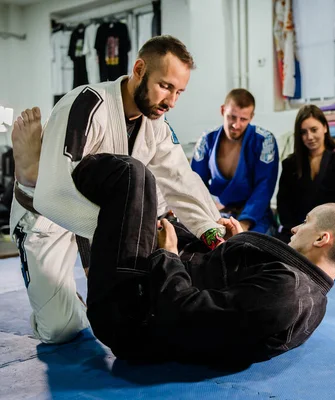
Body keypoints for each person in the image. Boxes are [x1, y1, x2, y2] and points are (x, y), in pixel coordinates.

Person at [13, 123, 335, 362]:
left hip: (133, 316)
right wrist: (236, 247)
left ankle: (35, 183)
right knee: (161, 209)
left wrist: (167, 255)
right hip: (179, 276)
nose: (293, 228)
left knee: (131, 177)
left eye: (305, 224)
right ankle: (96, 247)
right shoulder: (306, 288)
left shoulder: (286, 295)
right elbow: (238, 295)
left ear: (323, 238)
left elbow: (185, 313)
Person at [10, 35, 225, 345]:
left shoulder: (157, 123)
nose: (171, 101)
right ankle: (28, 174)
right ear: (138, 69)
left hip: (100, 214)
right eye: (165, 86)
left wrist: (210, 228)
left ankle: (78, 296)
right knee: (57, 330)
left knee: (152, 195)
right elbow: (54, 194)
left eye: (179, 92)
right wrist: (113, 238)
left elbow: (182, 179)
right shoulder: (87, 104)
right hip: (47, 210)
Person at [191, 89, 279, 234]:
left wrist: (244, 224)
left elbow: (264, 187)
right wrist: (208, 209)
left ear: (251, 117)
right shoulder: (207, 139)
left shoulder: (265, 141)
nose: (236, 125)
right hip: (217, 213)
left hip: (254, 216)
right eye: (232, 117)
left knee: (250, 249)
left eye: (243, 119)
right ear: (222, 110)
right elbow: (195, 181)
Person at [276, 105, 335, 243]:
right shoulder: (290, 164)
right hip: (298, 231)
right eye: (303, 132)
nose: (309, 137)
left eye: (314, 130)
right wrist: (299, 232)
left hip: (332, 234)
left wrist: (329, 234)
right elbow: (283, 205)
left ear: (325, 128)